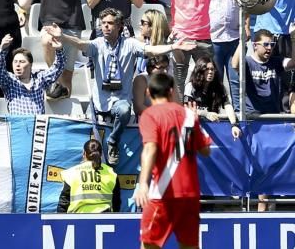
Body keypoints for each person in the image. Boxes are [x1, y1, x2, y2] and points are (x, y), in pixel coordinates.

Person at [48, 9, 195, 165]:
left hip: (120, 100)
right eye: (103, 23)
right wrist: (62, 36)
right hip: (99, 101)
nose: (105, 27)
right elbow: (81, 44)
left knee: (124, 110)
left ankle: (113, 142)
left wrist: (172, 47)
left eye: (110, 23)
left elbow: (151, 50)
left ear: (119, 26)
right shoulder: (97, 44)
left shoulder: (130, 44)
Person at [119, 0, 237, 101]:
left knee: (208, 78)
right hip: (181, 38)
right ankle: (180, 112)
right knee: (179, 79)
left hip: (203, 38)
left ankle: (206, 111)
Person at [133, 71, 212, 249]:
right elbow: (206, 151)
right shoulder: (190, 116)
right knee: (189, 246)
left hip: (163, 192)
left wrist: (143, 183)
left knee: (149, 245)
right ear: (171, 91)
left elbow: (150, 148)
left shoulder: (150, 115)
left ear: (148, 92)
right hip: (190, 194)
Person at [0, 31, 65, 115]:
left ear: (30, 65)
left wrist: (59, 49)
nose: (17, 65)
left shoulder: (39, 78)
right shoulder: (9, 81)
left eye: (22, 62)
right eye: (15, 62)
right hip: (18, 125)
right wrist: (2, 49)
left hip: (37, 125)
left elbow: (58, 68)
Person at [57, 139, 121, 213]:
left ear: (84, 153)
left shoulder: (71, 173)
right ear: (101, 154)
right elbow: (116, 203)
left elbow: (63, 203)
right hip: (104, 220)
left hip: (77, 221)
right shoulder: (111, 173)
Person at [184, 56, 241, 137]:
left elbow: (227, 105)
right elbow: (186, 109)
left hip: (212, 128)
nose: (210, 72)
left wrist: (234, 125)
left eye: (212, 69)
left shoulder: (218, 87)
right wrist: (205, 114)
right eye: (206, 69)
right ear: (200, 71)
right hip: (194, 128)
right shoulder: (190, 86)